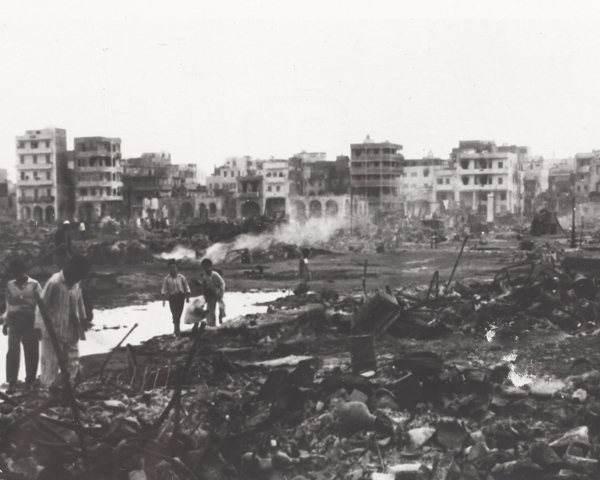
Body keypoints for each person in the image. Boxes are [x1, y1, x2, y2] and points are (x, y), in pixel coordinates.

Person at [35, 255, 90, 389]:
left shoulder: (76, 282)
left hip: (71, 328)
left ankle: (68, 386)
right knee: (51, 362)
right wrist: (37, 327)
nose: (80, 278)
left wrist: (83, 319)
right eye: (80, 275)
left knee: (73, 359)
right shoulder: (54, 282)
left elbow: (79, 301)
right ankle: (49, 388)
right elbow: (41, 305)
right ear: (71, 270)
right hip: (53, 330)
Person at [3, 259, 43, 394]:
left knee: (31, 351)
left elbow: (40, 306)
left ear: (23, 272)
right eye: (14, 274)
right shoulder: (9, 285)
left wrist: (38, 326)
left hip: (30, 321)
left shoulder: (34, 284)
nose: (17, 276)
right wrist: (5, 322)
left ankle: (29, 382)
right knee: (12, 351)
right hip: (14, 322)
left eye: (18, 273)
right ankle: (12, 383)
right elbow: (8, 305)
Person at [161, 259, 191, 336]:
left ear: (177, 268)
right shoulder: (167, 279)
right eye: (171, 267)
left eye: (174, 267)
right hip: (172, 298)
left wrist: (187, 297)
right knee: (174, 313)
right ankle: (176, 330)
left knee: (179, 313)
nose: (173, 269)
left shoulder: (181, 277)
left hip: (181, 297)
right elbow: (164, 289)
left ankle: (177, 330)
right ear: (168, 269)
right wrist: (163, 300)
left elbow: (186, 287)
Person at [200, 258, 226, 326]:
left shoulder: (215, 274)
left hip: (218, 293)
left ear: (210, 266)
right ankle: (211, 323)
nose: (206, 269)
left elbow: (222, 283)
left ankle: (221, 320)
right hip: (210, 295)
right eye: (204, 267)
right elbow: (204, 288)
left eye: (207, 267)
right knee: (210, 310)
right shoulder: (204, 277)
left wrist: (221, 293)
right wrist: (206, 297)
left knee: (221, 307)